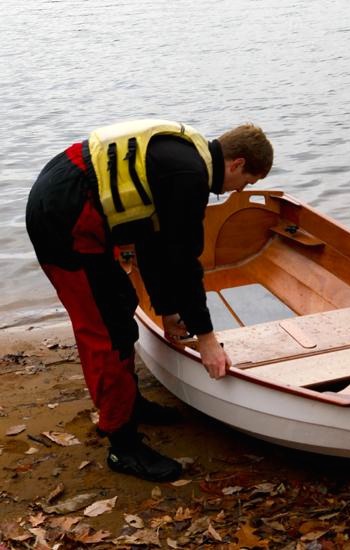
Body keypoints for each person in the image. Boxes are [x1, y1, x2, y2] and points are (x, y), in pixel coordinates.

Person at [26, 119, 273, 482]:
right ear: (236, 163)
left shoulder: (186, 161)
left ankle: (131, 404)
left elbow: (155, 246)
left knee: (122, 300)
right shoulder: (189, 177)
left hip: (77, 202)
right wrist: (207, 339)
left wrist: (169, 312)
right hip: (63, 220)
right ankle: (122, 446)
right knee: (107, 331)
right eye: (247, 182)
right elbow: (185, 263)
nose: (240, 191)